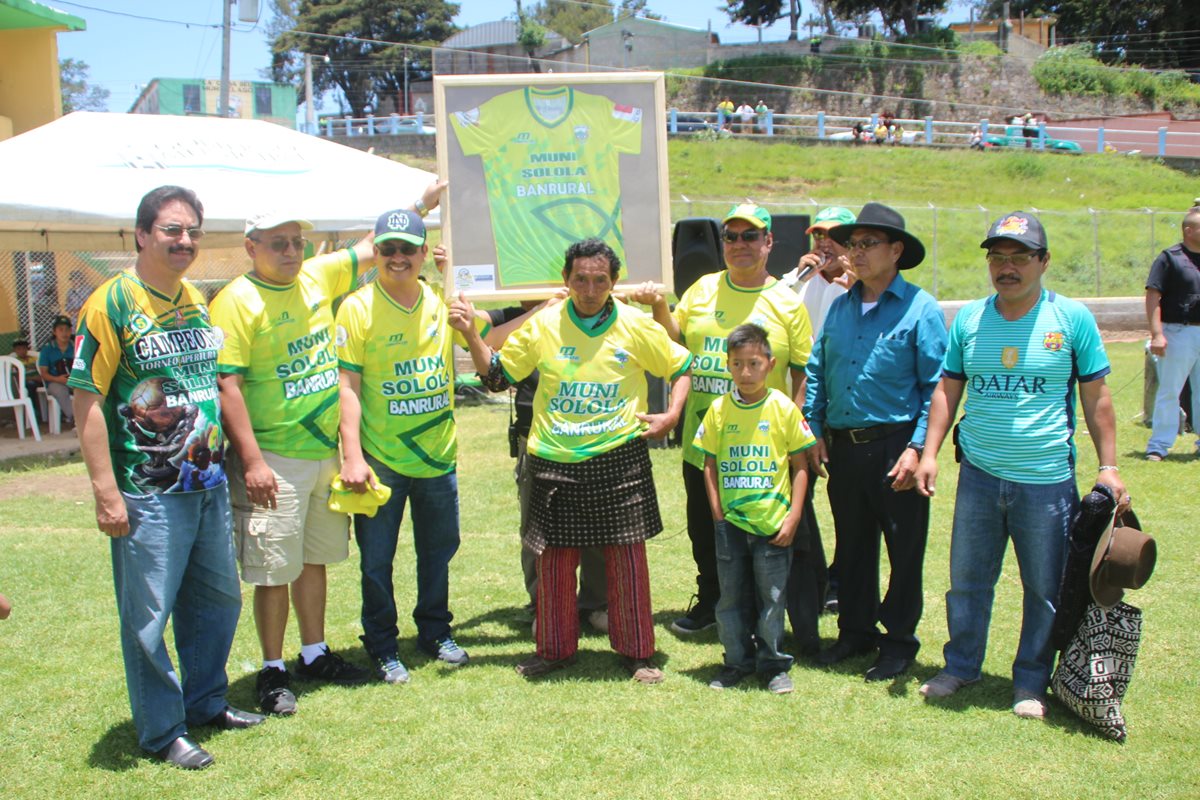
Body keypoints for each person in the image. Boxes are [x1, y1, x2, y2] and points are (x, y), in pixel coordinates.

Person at [209, 193, 438, 711]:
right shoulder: (236, 300)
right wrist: (252, 462)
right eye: (277, 243)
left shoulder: (314, 275)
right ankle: (272, 670)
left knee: (314, 559)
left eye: (297, 242)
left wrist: (417, 206)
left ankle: (314, 653)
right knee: (273, 569)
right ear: (251, 247)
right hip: (274, 457)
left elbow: (369, 246)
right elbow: (228, 386)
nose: (290, 251)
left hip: (323, 453)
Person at [69, 185, 262, 770]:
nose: (184, 241)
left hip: (204, 481)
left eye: (193, 231)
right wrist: (106, 493)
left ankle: (205, 701)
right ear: (142, 234)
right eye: (172, 230)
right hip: (148, 489)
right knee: (149, 616)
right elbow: (87, 400)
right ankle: (162, 730)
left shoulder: (193, 299)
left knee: (218, 600)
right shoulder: (111, 304)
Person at [914, 211, 1129, 719]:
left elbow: (1097, 398)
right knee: (967, 580)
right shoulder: (969, 318)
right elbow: (948, 388)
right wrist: (929, 452)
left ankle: (1030, 682)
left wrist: (1109, 467)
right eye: (998, 257)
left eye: (1019, 257)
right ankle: (961, 665)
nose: (1006, 268)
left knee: (1044, 589)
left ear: (1043, 261)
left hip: (1047, 481)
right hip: (979, 476)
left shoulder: (1071, 319)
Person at [450, 238, 693, 684]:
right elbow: (497, 378)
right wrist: (469, 333)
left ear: (614, 283)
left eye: (600, 280)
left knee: (627, 561)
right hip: (553, 460)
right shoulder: (544, 323)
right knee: (556, 564)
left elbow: (681, 367)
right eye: (580, 278)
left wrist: (672, 414)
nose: (589, 287)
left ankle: (638, 654)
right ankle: (555, 652)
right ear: (565, 280)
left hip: (618, 457)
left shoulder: (637, 326)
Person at [630, 204, 812, 638]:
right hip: (705, 438)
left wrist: (801, 434)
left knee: (765, 528)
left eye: (750, 236)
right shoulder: (702, 288)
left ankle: (763, 610)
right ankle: (712, 600)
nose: (740, 245)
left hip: (764, 442)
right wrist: (658, 304)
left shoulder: (786, 302)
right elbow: (674, 338)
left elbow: (803, 372)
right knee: (705, 526)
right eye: (731, 236)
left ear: (769, 242)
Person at [336, 208, 481, 680]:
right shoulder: (356, 307)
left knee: (439, 551)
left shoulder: (444, 301)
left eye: (407, 249)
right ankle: (381, 643)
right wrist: (353, 456)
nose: (397, 257)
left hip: (437, 456)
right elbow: (348, 387)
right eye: (388, 249)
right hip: (382, 459)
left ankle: (435, 630)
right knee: (377, 560)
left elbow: (488, 346)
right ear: (375, 252)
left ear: (424, 252)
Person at [805, 202, 947, 682]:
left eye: (869, 244)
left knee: (904, 548)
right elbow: (817, 369)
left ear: (897, 251)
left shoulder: (920, 309)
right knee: (853, 545)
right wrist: (814, 426)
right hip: (844, 446)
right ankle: (855, 632)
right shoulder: (842, 306)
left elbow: (936, 387)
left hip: (896, 446)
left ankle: (899, 641)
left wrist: (918, 448)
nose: (856, 253)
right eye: (854, 244)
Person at [481, 295, 610, 636]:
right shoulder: (509, 313)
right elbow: (482, 337)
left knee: (597, 525)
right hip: (534, 434)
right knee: (538, 528)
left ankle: (596, 604)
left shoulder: (583, 306)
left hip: (587, 431)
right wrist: (536, 313)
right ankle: (546, 604)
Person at [698, 324, 815, 694]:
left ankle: (774, 665)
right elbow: (710, 464)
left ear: (770, 363)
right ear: (728, 366)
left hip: (773, 523)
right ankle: (736, 661)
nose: (746, 372)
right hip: (731, 523)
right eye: (737, 364)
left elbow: (800, 466)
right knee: (730, 596)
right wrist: (717, 513)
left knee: (772, 597)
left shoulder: (782, 407)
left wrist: (794, 515)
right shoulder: (718, 410)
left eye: (754, 363)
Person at [780, 205, 857, 622]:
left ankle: (843, 580)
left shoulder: (858, 287)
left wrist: (853, 280)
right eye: (817, 236)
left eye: (833, 237)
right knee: (799, 494)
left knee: (846, 503)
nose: (823, 244)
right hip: (801, 408)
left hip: (843, 411)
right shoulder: (797, 283)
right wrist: (797, 277)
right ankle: (810, 580)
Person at [1144, 207, 1200, 461]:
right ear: (1189, 231)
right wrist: (1157, 333)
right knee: (1170, 389)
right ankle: (1159, 445)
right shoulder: (1170, 258)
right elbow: (1153, 295)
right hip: (1178, 331)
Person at [38, 315, 75, 427]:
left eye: (67, 330)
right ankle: (75, 418)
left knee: (87, 390)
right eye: (61, 329)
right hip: (55, 381)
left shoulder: (77, 347)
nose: (64, 333)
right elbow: (44, 374)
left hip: (74, 380)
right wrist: (58, 379)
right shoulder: (47, 349)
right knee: (60, 391)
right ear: (54, 332)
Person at [10, 338, 42, 422]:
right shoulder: (15, 362)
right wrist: (33, 378)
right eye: (18, 349)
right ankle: (35, 413)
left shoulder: (34, 359)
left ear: (27, 349)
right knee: (30, 385)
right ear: (15, 351)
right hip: (26, 382)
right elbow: (17, 377)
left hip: (39, 380)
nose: (22, 351)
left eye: (24, 348)